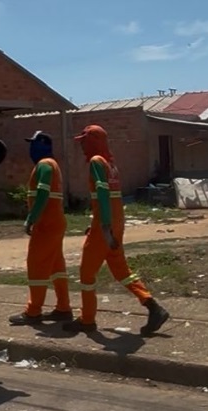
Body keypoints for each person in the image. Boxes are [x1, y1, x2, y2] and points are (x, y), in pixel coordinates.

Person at [64, 125, 169, 336]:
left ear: (93, 142)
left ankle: (87, 320)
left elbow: (102, 194)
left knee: (86, 273)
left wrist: (103, 227)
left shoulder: (96, 162)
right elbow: (110, 198)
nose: (82, 146)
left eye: (84, 141)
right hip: (116, 222)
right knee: (121, 271)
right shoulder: (110, 165)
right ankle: (153, 306)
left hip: (106, 226)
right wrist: (103, 223)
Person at [9, 131, 72, 325]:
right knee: (56, 267)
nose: (31, 148)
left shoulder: (44, 164)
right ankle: (63, 308)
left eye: (34, 144)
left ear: (43, 146)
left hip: (46, 224)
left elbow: (43, 193)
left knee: (36, 265)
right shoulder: (53, 165)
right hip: (55, 222)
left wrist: (31, 218)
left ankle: (33, 311)